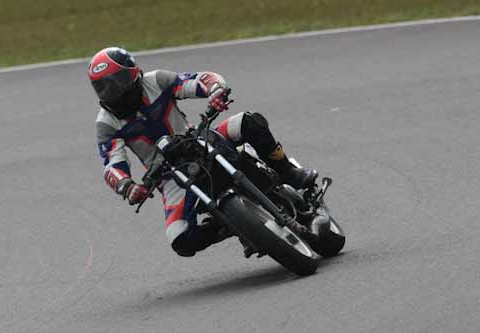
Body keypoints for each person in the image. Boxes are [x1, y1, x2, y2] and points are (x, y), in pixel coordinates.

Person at [89, 47, 318, 257]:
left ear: (133, 72)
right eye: (103, 87)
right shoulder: (106, 123)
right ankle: (228, 224)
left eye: (117, 82)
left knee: (249, 122)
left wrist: (215, 90)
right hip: (169, 174)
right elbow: (112, 164)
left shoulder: (156, 80)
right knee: (181, 241)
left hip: (198, 140)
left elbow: (198, 80)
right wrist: (127, 186)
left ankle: (287, 171)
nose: (113, 92)